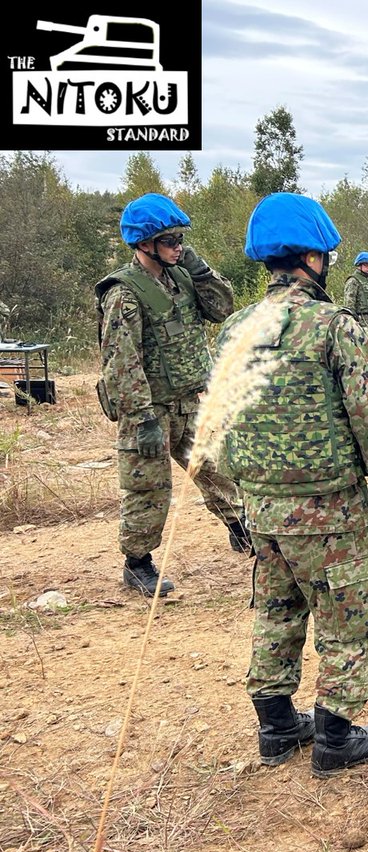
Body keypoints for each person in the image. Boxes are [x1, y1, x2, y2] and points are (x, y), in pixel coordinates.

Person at [218, 193, 368, 776]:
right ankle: (335, 735)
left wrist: (242, 497)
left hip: (263, 509)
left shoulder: (234, 330)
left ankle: (277, 727)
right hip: (329, 511)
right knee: (348, 615)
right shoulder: (334, 327)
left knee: (277, 609)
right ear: (311, 257)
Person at [95, 192, 249, 597]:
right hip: (148, 409)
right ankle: (137, 563)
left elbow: (221, 308)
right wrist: (142, 418)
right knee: (149, 488)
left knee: (217, 468)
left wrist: (202, 271)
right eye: (170, 241)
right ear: (144, 244)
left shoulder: (182, 276)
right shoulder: (124, 293)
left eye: (181, 239)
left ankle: (240, 528)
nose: (179, 247)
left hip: (188, 400)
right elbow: (121, 362)